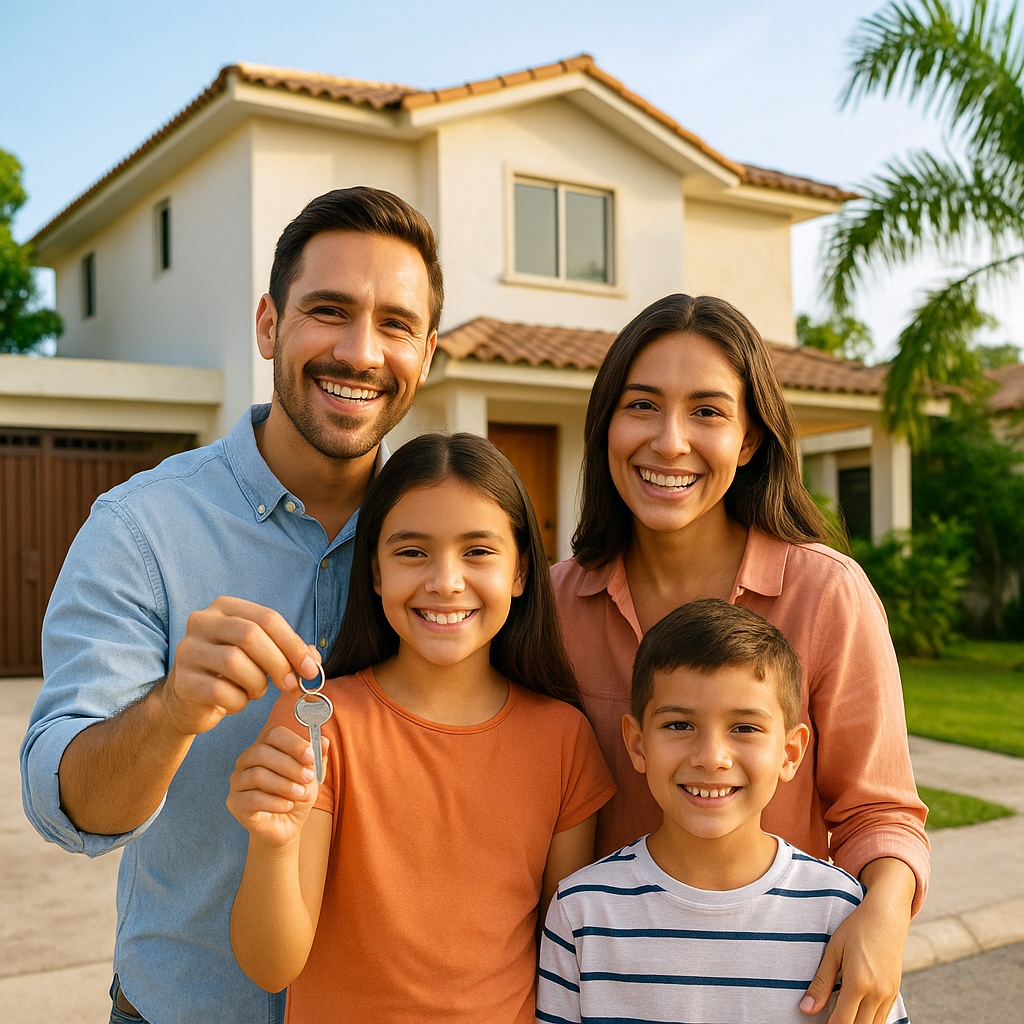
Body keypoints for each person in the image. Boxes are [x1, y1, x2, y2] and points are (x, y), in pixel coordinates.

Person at [20, 186, 444, 1024]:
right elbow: (66, 807)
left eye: (395, 324)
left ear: (425, 355)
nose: (360, 352)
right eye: (329, 310)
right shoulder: (141, 529)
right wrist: (173, 711)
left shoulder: (459, 550)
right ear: (267, 326)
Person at [550, 293, 928, 1023]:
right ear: (605, 427)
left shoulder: (827, 595)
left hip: (779, 987)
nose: (668, 441)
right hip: (613, 988)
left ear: (751, 439)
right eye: (642, 406)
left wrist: (883, 915)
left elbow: (878, 809)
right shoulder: (556, 605)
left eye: (708, 412)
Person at [227, 432, 615, 1023]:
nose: (445, 582)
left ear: (521, 572)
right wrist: (273, 845)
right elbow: (270, 967)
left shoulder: (565, 741)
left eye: (478, 552)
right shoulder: (322, 723)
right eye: (412, 552)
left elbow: (563, 957)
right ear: (375, 573)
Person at [537, 599, 910, 1024]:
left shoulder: (839, 912)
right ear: (637, 743)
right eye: (679, 725)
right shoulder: (582, 912)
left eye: (744, 728)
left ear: (790, 753)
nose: (711, 757)